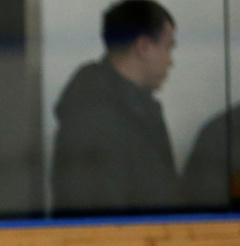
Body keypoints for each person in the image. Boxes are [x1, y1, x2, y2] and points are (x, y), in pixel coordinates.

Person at [51, 0, 181, 216]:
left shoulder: (138, 110)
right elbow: (97, 220)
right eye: (168, 48)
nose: (170, 61)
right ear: (143, 46)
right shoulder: (94, 118)